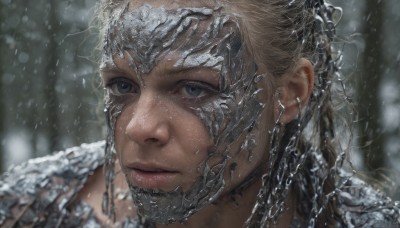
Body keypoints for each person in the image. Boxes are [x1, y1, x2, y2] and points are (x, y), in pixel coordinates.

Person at [0, 0, 399, 227]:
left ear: (291, 94)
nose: (139, 127)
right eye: (123, 86)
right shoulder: (33, 208)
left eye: (194, 88)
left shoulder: (364, 222)